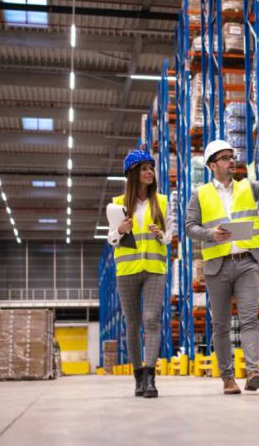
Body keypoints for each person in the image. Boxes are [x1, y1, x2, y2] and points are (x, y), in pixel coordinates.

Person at [186, 136, 259, 394]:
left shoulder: (247, 188)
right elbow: (189, 227)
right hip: (217, 267)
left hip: (247, 262)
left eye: (232, 157)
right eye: (225, 158)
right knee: (221, 325)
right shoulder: (199, 195)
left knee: (250, 318)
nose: (231, 162)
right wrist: (210, 234)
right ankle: (228, 377)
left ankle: (253, 372)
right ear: (212, 165)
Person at [107, 149, 175, 398]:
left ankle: (150, 377)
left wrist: (161, 235)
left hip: (155, 270)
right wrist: (121, 230)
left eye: (151, 168)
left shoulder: (163, 202)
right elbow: (111, 239)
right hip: (126, 271)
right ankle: (138, 377)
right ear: (133, 174)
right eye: (144, 168)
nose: (149, 172)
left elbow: (169, 238)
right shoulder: (117, 204)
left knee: (151, 319)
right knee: (132, 324)